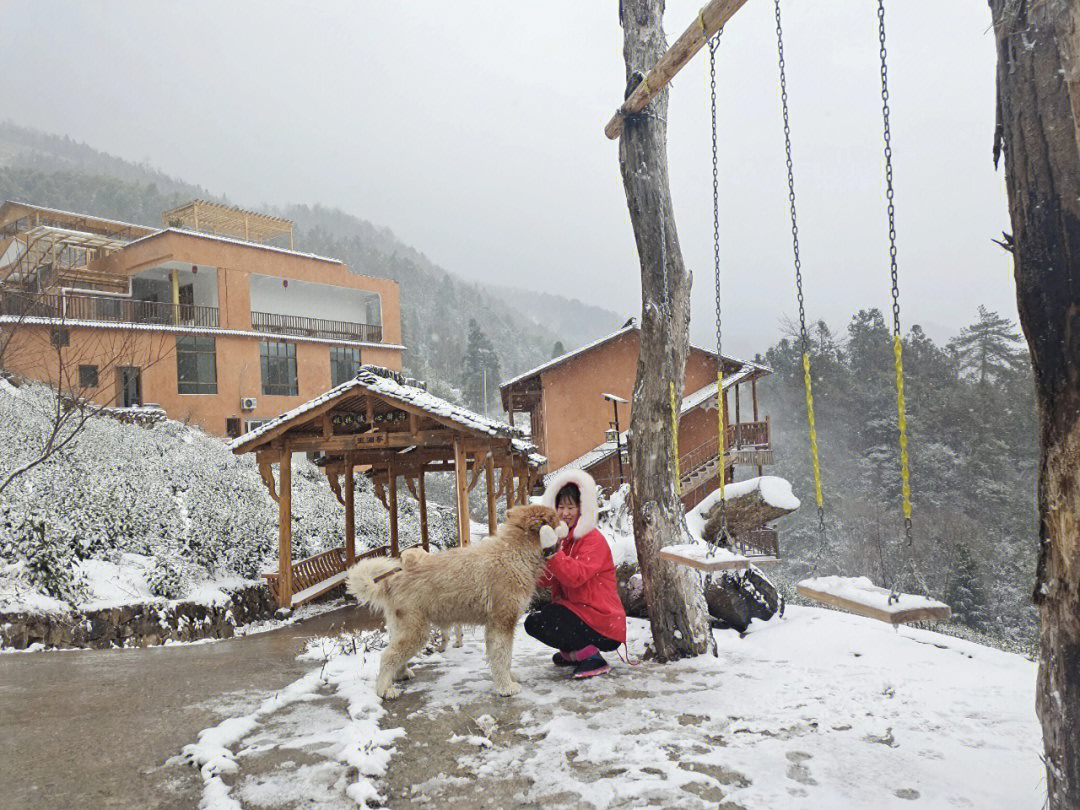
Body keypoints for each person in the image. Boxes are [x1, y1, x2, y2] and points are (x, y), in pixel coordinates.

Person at [525, 469, 626, 679]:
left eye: (571, 507)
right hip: (579, 613)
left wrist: (553, 552)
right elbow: (544, 580)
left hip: (602, 620)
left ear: (582, 508)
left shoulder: (592, 539)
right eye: (560, 507)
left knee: (551, 618)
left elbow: (574, 576)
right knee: (534, 622)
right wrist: (541, 552)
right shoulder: (564, 539)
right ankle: (575, 653)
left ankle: (591, 657)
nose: (565, 513)